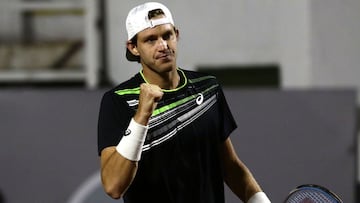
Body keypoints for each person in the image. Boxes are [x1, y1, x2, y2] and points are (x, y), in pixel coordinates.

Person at [97, 2, 271, 203]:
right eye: (150, 40)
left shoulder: (208, 88)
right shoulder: (118, 100)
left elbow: (230, 166)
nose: (163, 46)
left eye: (167, 35)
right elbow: (113, 186)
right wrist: (141, 117)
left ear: (176, 35)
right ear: (134, 48)